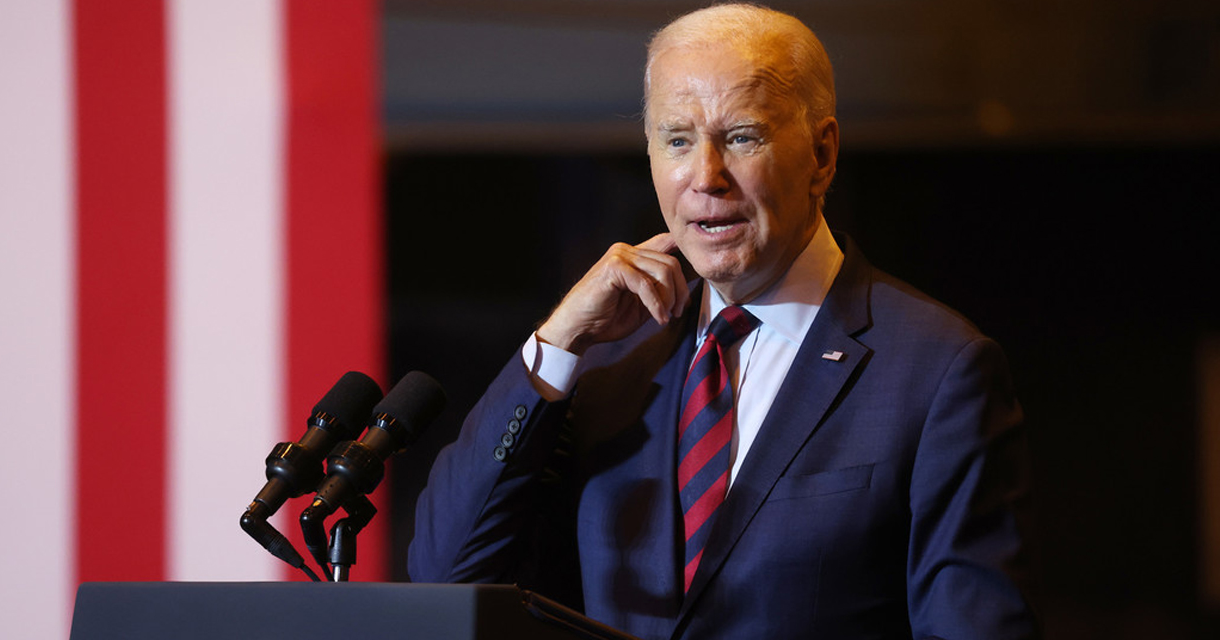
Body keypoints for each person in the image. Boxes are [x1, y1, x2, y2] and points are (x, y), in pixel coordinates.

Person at [409, 4, 1040, 639]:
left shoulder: (938, 371)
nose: (706, 178)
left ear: (822, 154)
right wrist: (556, 345)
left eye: (741, 136)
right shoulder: (606, 360)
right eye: (677, 140)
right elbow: (445, 577)